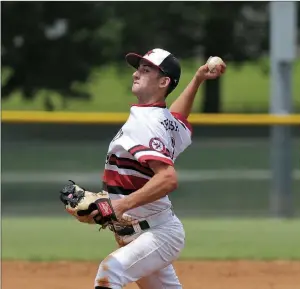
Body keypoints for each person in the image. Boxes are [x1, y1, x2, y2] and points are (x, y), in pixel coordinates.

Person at [70, 48, 226, 289]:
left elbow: (168, 179)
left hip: (157, 233)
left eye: (146, 70)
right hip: (140, 232)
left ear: (163, 81)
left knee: (110, 273)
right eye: (138, 69)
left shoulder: (146, 124)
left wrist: (119, 205)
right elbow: (177, 119)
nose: (136, 74)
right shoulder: (160, 120)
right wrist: (197, 80)